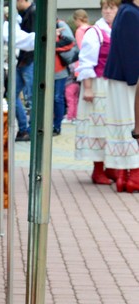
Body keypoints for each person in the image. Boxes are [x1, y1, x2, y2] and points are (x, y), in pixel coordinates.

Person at [74, 0, 119, 184]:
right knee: (97, 129)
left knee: (113, 128)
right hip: (98, 85)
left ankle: (112, 167)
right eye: (105, 8)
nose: (108, 11)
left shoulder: (119, 29)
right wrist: (88, 88)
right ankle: (98, 170)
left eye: (112, 8)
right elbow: (86, 61)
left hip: (114, 86)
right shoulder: (95, 32)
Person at [103, 0, 139, 191]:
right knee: (131, 124)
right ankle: (133, 175)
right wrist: (134, 79)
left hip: (123, 77)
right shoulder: (130, 13)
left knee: (124, 124)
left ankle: (124, 175)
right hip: (128, 79)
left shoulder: (126, 11)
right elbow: (131, 50)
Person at [13, 0, 37, 141]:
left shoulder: (32, 13)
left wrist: (24, 60)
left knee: (31, 98)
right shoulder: (26, 13)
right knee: (13, 95)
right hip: (25, 61)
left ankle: (29, 130)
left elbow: (33, 41)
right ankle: (25, 129)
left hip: (28, 60)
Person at [66, 9, 92, 121]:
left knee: (80, 93)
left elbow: (81, 49)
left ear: (77, 20)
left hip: (81, 66)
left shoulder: (80, 31)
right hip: (93, 65)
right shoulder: (91, 28)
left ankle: (79, 116)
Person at [53, 18, 77, 135]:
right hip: (50, 69)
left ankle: (57, 127)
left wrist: (52, 45)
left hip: (59, 69)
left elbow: (70, 42)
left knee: (57, 98)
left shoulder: (60, 24)